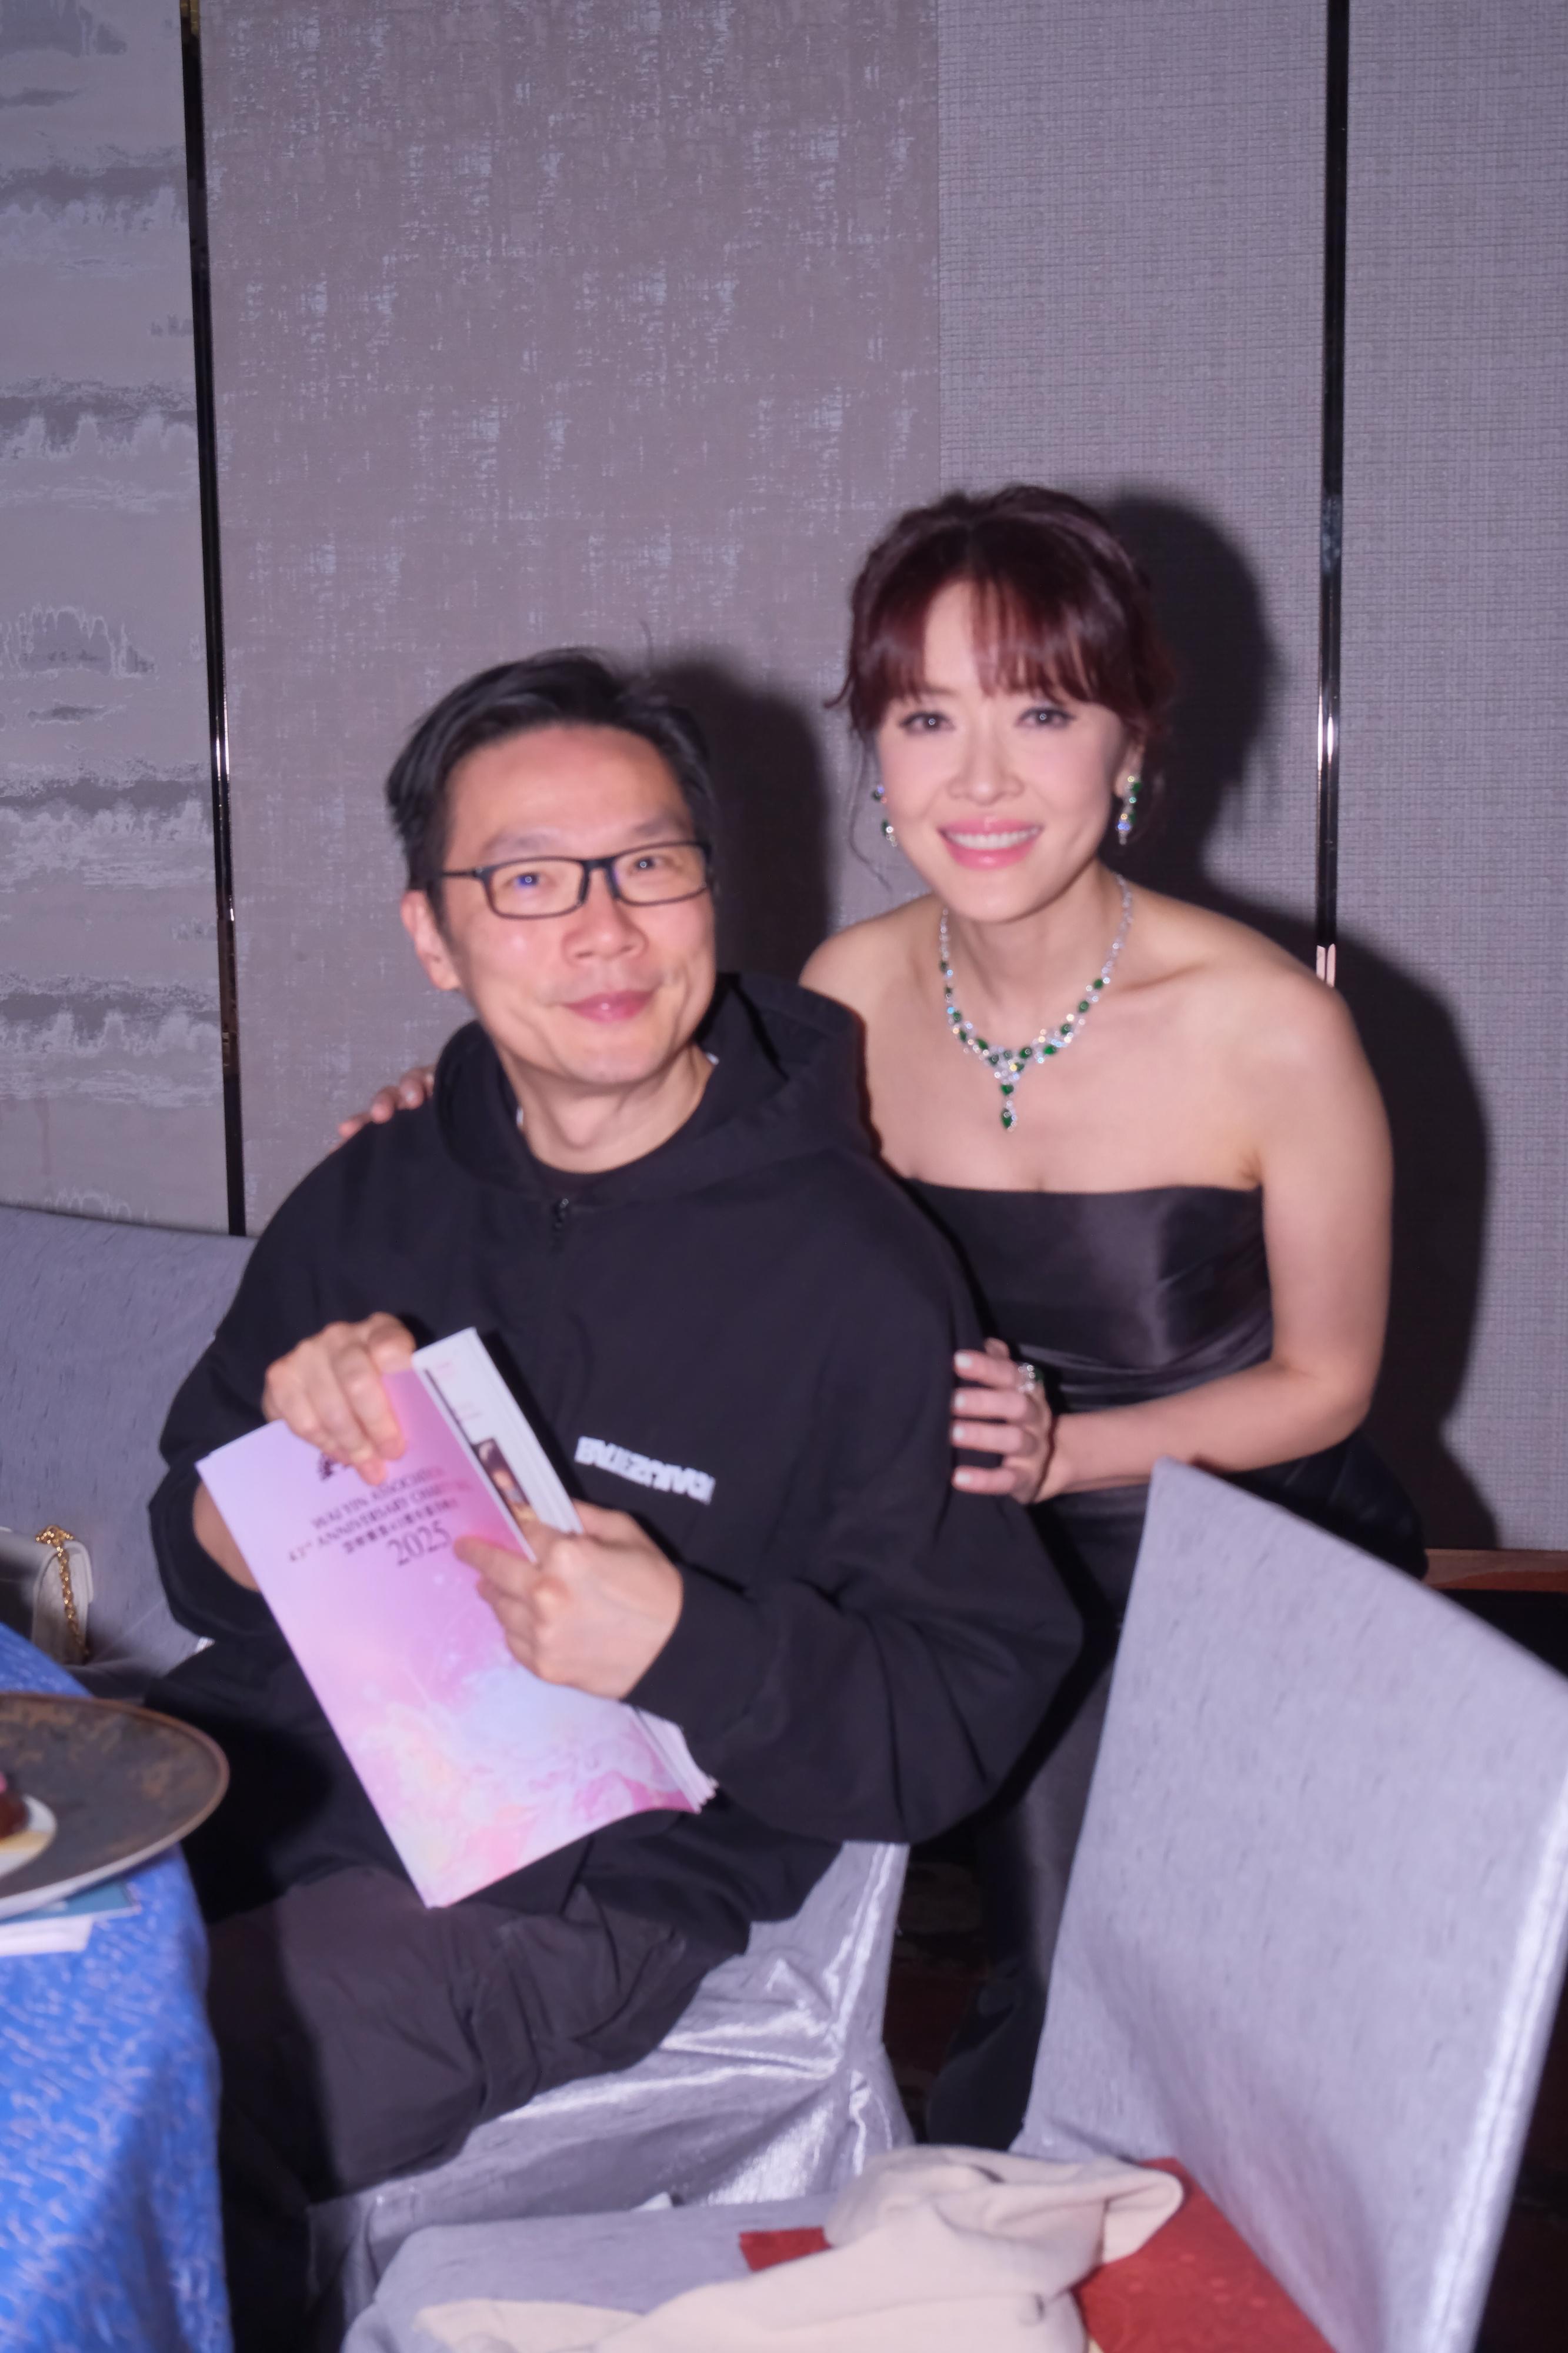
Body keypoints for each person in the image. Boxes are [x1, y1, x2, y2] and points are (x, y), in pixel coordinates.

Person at [347, 490, 1424, 2152]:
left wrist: (1070, 1453)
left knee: (1136, 2015)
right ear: (878, 750)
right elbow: (638, 1121)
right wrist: (454, 1110)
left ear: (1131, 743)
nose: (980, 782)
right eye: (927, 719)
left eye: (1042, 714)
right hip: (968, 1558)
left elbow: (1329, 1384)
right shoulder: (841, 995)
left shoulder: (1273, 1029)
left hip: (1227, 1554)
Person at [146, 649, 1079, 2347]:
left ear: (711, 892)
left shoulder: (859, 1276)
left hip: (586, 1888)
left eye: (649, 864)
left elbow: (962, 1703)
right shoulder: (376, 1188)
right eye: (528, 882)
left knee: (176, 2097)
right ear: (434, 935)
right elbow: (193, 1547)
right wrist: (279, 1473)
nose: (604, 929)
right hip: (284, 1769)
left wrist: (686, 1646)